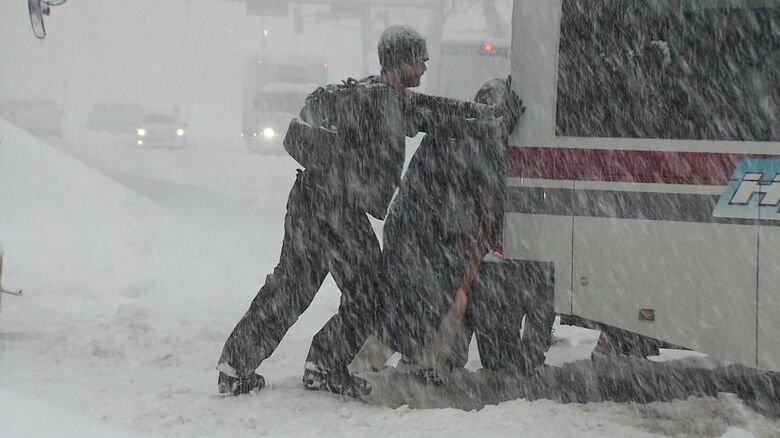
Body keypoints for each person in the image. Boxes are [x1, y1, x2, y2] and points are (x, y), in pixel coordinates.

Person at [216, 25, 523, 397]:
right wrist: (495, 122)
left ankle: (236, 364)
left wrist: (487, 114)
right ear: (403, 62)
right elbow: (442, 116)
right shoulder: (387, 102)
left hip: (308, 199)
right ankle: (324, 364)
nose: (425, 67)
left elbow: (439, 109)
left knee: (291, 286)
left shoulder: (369, 93)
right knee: (372, 294)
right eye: (420, 60)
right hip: (337, 208)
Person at [380, 78, 553, 377]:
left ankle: (431, 360)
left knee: (468, 335)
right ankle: (418, 362)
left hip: (450, 249)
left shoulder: (482, 152)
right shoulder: (459, 143)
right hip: (425, 240)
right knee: (432, 313)